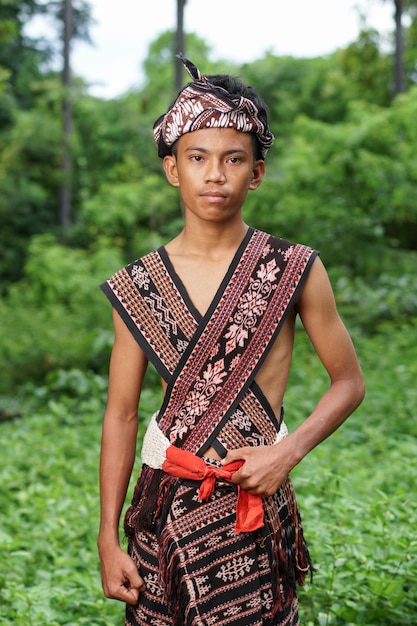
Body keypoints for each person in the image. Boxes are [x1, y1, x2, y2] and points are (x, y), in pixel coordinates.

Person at [97, 55, 365, 626]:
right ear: (173, 169)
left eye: (233, 159)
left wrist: (286, 453)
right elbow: (120, 417)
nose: (214, 175)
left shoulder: (292, 267)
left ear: (257, 172)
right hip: (161, 519)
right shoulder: (140, 282)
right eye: (197, 158)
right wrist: (106, 537)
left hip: (252, 513)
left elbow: (349, 382)